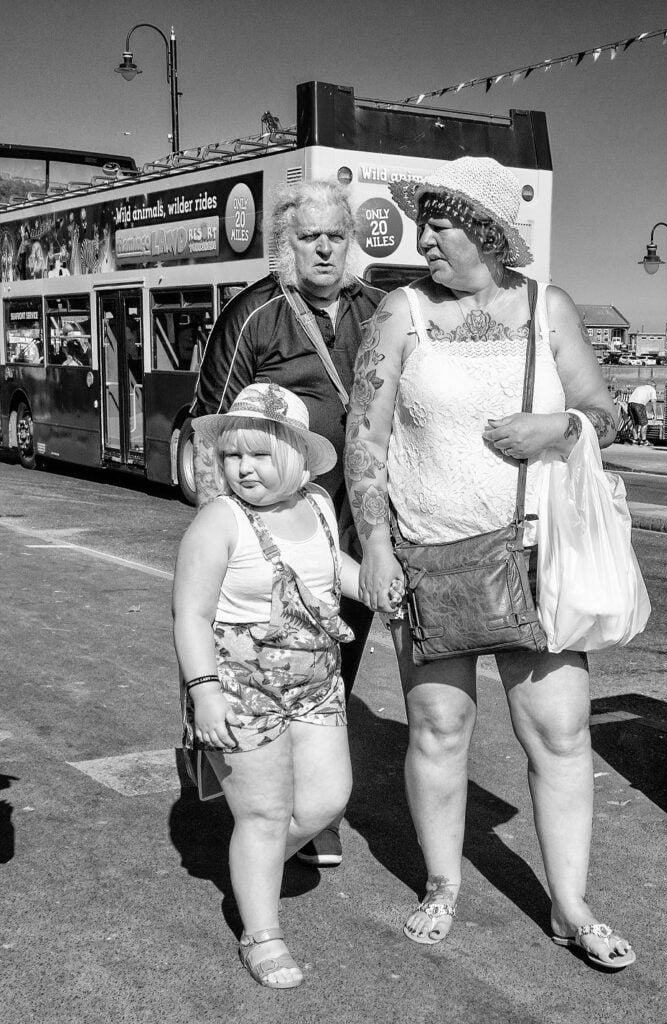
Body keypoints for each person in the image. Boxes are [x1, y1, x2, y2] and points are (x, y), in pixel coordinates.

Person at [344, 156, 636, 969]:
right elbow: (364, 438)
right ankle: (441, 884)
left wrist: (562, 430)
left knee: (561, 732)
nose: (424, 238)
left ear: (485, 230)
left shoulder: (549, 308)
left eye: (438, 225)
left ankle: (570, 905)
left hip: (536, 554)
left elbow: (603, 413)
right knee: (439, 729)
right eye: (425, 223)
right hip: (427, 553)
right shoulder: (400, 312)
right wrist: (373, 542)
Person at [191, 180, 385, 867]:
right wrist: (226, 528)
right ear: (288, 243)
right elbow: (206, 428)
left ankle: (309, 799)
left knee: (333, 659)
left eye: (337, 235)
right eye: (310, 236)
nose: (325, 248)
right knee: (262, 656)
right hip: (270, 529)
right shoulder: (254, 311)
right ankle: (258, 798)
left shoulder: (379, 309)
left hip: (352, 527)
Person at [172, 382, 361, 989]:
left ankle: (253, 866)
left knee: (328, 797)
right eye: (233, 456)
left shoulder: (320, 506)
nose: (243, 468)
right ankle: (262, 931)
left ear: (300, 458)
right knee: (264, 810)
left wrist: (382, 586)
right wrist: (204, 691)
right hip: (239, 683)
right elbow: (192, 615)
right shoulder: (218, 520)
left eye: (259, 454)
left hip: (316, 679)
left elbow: (334, 569)